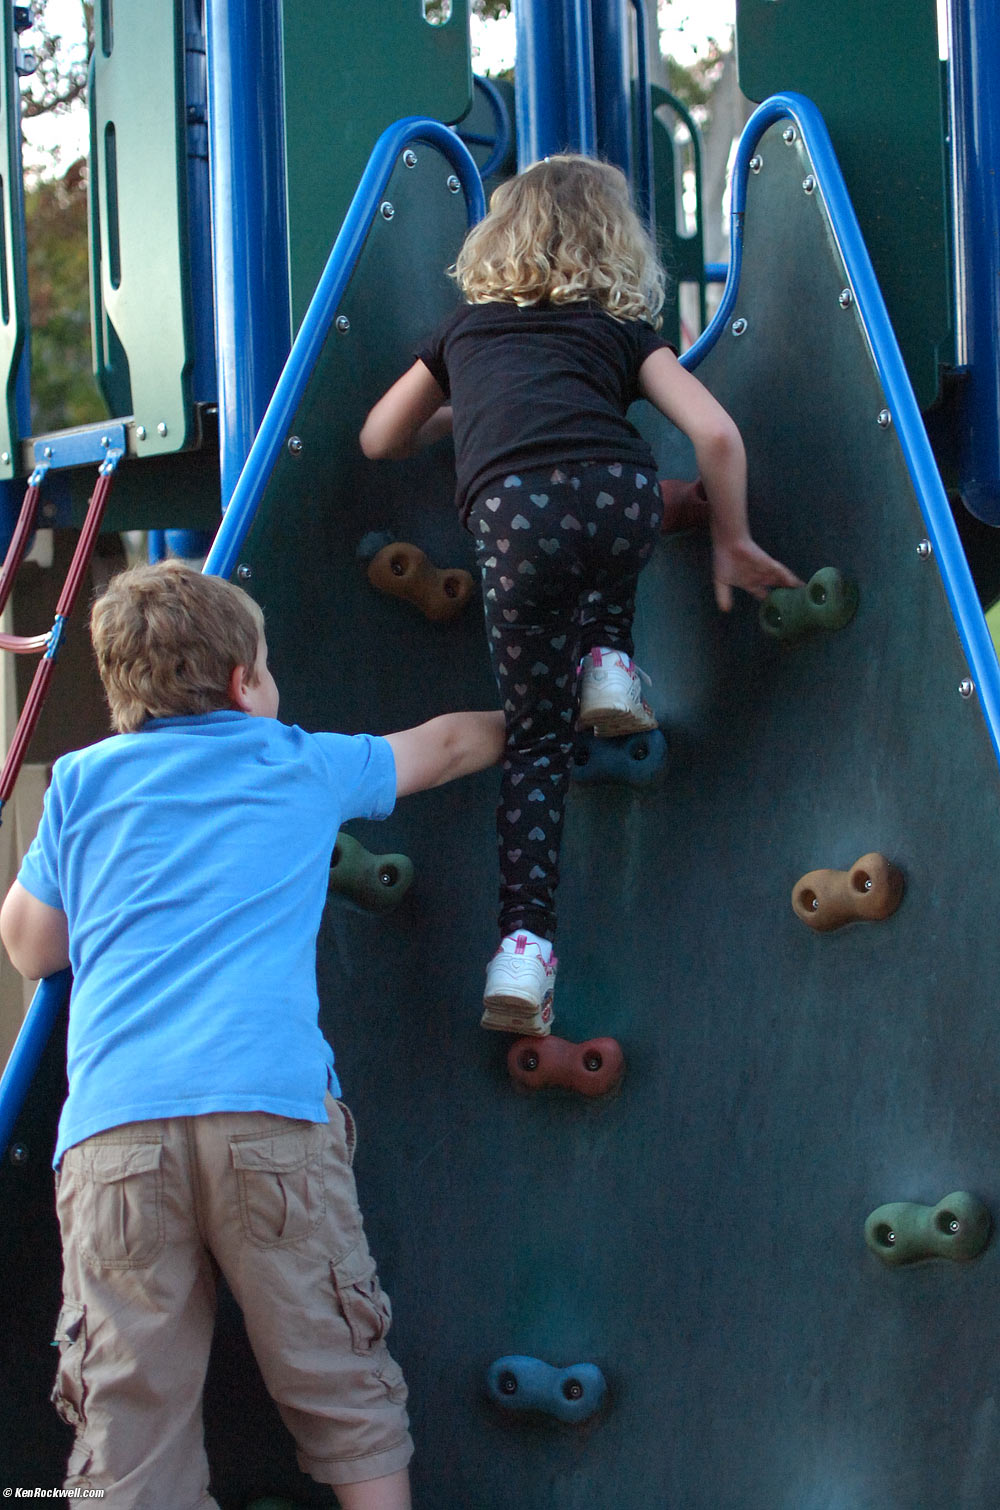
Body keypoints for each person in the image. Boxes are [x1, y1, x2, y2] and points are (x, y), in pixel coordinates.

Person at [0, 559, 505, 1510]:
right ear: (245, 684)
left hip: (115, 1138)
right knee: (337, 1370)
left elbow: (30, 946)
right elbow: (441, 746)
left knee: (128, 1414)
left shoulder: (78, 783)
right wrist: (534, 720)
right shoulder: (298, 762)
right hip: (268, 1118)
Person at [360, 153, 801, 1038]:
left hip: (513, 520)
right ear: (616, 245)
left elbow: (379, 438)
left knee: (533, 746)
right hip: (620, 497)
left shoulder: (464, 332)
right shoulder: (620, 333)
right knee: (601, 533)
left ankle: (523, 951)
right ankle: (608, 662)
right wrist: (731, 534)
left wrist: (466, 406)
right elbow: (714, 430)